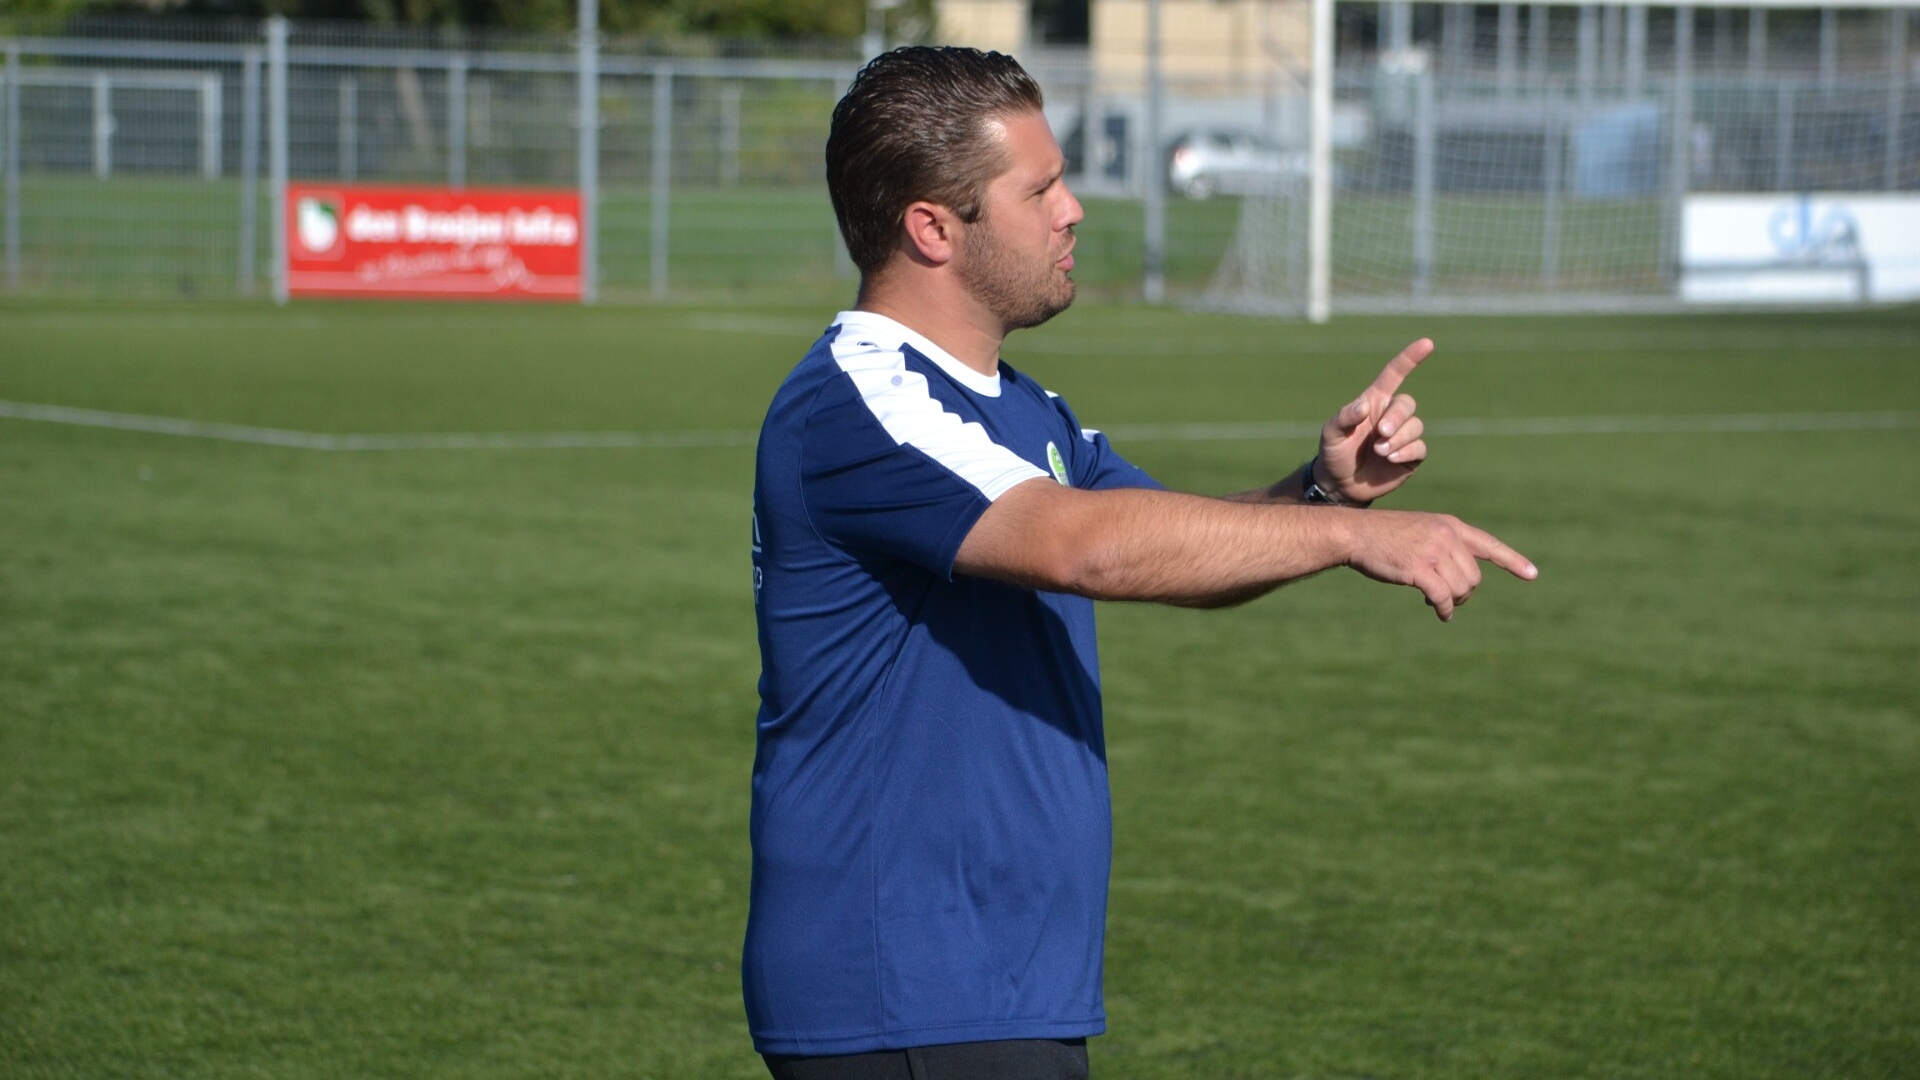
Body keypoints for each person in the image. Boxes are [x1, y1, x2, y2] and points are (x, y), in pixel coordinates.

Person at [744, 46, 1537, 1080]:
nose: (1073, 210)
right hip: (906, 980)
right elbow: (1089, 549)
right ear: (933, 228)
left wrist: (1319, 494)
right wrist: (1354, 537)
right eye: (1039, 189)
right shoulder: (863, 400)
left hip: (994, 979)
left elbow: (1166, 536)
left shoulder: (1024, 408)